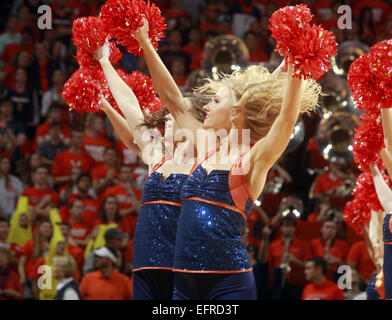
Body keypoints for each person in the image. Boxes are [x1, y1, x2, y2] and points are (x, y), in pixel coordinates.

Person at [132, 16, 320, 299]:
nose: (206, 106)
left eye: (216, 101)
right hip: (182, 286)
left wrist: (298, 68)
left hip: (228, 285)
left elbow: (284, 120)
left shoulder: (253, 158)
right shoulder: (206, 146)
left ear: (236, 112)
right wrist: (145, 42)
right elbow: (172, 98)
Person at [94, 41, 207, 300]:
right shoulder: (156, 156)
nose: (167, 117)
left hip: (185, 261)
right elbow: (130, 105)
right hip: (145, 259)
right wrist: (105, 63)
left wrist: (145, 42)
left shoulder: (205, 159)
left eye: (176, 114)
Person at [266, 214, 311, 300]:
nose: (289, 229)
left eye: (291, 226)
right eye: (286, 226)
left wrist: (295, 260)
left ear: (295, 229)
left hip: (296, 283)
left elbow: (308, 264)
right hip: (278, 282)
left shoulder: (303, 245)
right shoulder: (273, 245)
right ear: (280, 228)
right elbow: (270, 266)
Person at [310, 217, 348, 282]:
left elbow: (348, 265)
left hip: (336, 275)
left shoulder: (343, 244)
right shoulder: (313, 243)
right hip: (317, 274)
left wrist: (337, 261)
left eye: (333, 228)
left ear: (336, 231)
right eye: (327, 227)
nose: (330, 230)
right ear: (321, 229)